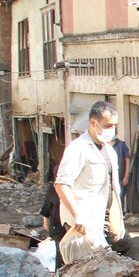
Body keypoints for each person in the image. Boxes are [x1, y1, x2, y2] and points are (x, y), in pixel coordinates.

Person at [53, 100, 125, 254]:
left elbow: (113, 189)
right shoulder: (78, 148)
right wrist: (77, 216)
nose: (112, 129)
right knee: (85, 271)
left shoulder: (110, 151)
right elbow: (61, 184)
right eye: (107, 126)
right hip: (82, 225)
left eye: (114, 125)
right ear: (93, 122)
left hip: (102, 223)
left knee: (106, 270)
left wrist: (117, 222)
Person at [111, 132, 132, 213]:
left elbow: (127, 160)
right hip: (108, 179)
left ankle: (120, 217)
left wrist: (126, 176)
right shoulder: (103, 145)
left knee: (119, 199)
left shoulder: (121, 145)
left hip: (119, 178)